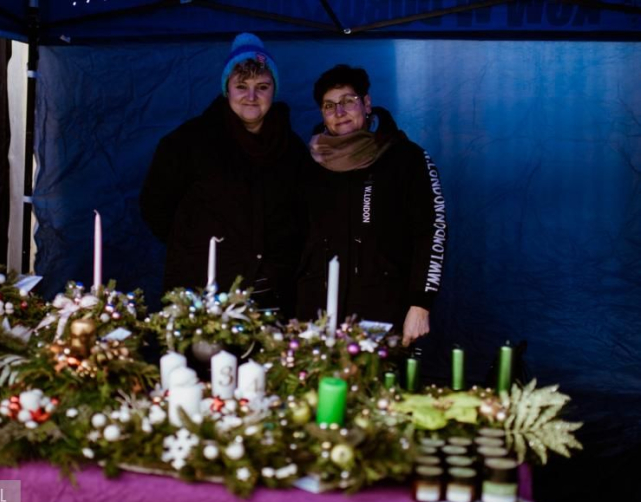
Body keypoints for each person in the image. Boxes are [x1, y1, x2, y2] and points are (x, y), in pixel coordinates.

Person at [140, 33, 308, 317]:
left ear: (274, 90)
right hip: (203, 290)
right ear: (226, 89)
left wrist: (277, 262)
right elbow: (155, 205)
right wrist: (194, 247)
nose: (251, 96)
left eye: (262, 86)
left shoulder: (292, 149)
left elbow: (303, 213)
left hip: (269, 291)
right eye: (241, 86)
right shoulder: (188, 142)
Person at [296, 65, 447, 347]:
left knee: (377, 390)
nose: (339, 112)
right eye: (329, 106)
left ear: (367, 103)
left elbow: (432, 231)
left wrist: (421, 303)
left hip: (381, 312)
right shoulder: (307, 163)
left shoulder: (406, 158)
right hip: (316, 314)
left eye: (348, 101)